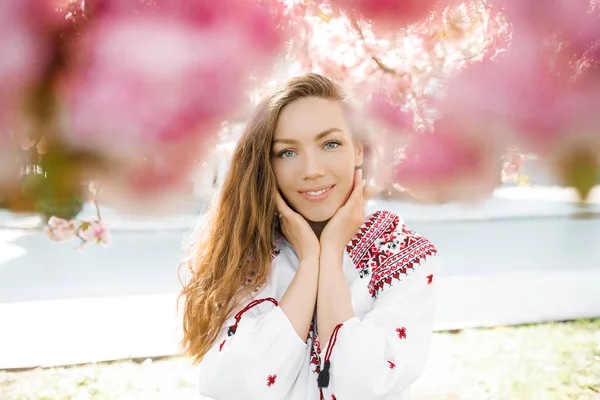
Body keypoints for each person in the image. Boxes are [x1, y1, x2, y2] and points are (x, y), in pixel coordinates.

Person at [179, 73, 441, 400]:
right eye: (287, 152)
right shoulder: (244, 255)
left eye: (330, 144)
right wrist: (308, 263)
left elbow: (361, 387)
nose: (312, 169)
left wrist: (330, 254)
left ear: (358, 151)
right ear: (266, 164)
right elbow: (235, 389)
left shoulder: (404, 256)